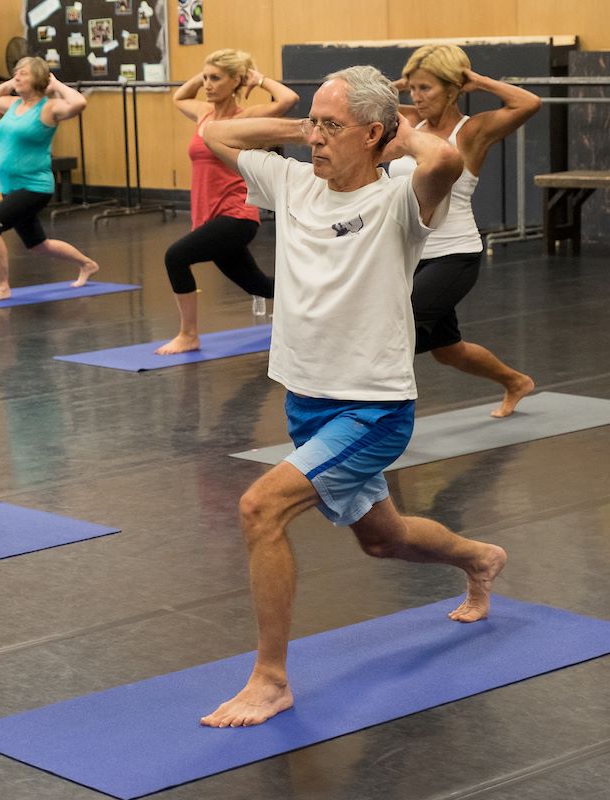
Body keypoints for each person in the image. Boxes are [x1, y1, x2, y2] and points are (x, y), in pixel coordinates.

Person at [198, 66, 508, 727]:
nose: (314, 139)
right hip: (306, 405)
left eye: (330, 127)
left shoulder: (401, 200)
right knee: (384, 540)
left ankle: (271, 680)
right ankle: (479, 558)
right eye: (312, 124)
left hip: (371, 410)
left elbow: (446, 156)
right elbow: (216, 131)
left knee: (261, 509)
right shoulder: (291, 184)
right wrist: (306, 122)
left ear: (374, 133)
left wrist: (400, 137)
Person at [389, 45, 539, 417]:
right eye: (413, 88)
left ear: (453, 89)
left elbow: (529, 103)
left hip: (454, 255)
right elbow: (363, 105)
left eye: (427, 89)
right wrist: (400, 83)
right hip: (411, 257)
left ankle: (381, 421)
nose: (416, 97)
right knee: (447, 350)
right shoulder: (411, 123)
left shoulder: (471, 132)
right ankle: (516, 382)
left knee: (396, 329)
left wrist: (478, 81)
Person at [156, 49, 298, 355]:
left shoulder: (243, 118)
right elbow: (179, 97)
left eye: (215, 78)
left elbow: (288, 100)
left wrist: (257, 79)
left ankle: (188, 334)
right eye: (205, 78)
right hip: (208, 217)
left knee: (175, 257)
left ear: (235, 81)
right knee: (257, 285)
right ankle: (319, 300)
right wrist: (206, 71)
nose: (207, 84)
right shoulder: (203, 114)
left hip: (236, 215)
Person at [0, 57, 98, 303]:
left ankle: (1, 286)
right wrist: (13, 81)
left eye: (24, 74)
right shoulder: (12, 105)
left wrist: (56, 85)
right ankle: (87, 264)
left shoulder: (49, 108)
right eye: (16, 73)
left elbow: (79, 102)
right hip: (10, 187)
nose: (17, 77)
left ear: (39, 80)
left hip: (35, 186)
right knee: (38, 245)